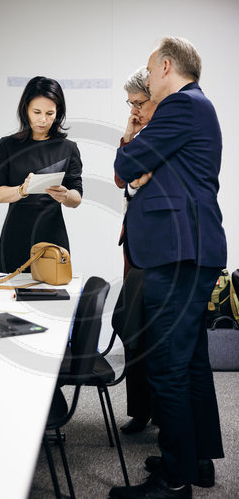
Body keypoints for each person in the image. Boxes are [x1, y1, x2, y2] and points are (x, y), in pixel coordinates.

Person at [110, 37, 226, 498]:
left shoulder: (182, 105)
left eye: (148, 72)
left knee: (168, 367)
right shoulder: (195, 109)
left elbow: (126, 160)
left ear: (163, 66)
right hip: (189, 253)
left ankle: (173, 481)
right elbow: (135, 173)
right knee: (191, 362)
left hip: (178, 255)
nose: (148, 85)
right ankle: (194, 461)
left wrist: (138, 159)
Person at [0, 76, 83, 273]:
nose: (43, 119)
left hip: (53, 237)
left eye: (50, 113)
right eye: (37, 112)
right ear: (25, 110)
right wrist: (23, 190)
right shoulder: (7, 145)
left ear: (58, 113)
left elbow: (77, 198)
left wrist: (65, 195)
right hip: (14, 236)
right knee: (10, 298)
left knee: (54, 297)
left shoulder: (68, 148)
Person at [114, 67, 157, 436]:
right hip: (133, 247)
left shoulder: (165, 136)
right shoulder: (138, 135)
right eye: (131, 104)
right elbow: (121, 178)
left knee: (152, 332)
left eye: (140, 103)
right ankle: (140, 409)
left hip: (155, 248)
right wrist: (129, 134)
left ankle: (160, 412)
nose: (136, 110)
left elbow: (135, 178)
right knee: (132, 329)